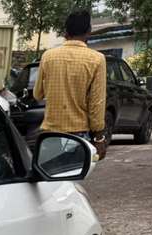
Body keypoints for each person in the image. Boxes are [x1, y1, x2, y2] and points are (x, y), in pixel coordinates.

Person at [33, 9, 108, 159]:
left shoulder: (48, 56)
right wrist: (99, 138)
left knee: (50, 180)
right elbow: (96, 103)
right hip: (78, 135)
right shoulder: (97, 59)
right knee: (72, 177)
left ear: (66, 32)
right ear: (88, 32)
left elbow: (37, 94)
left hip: (50, 135)